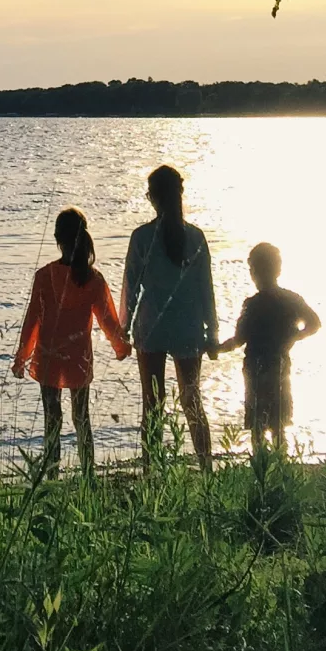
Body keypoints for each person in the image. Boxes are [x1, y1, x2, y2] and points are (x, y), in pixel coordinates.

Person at [12, 207, 130, 480]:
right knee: (82, 418)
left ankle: (51, 476)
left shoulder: (44, 276)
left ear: (57, 239)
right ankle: (88, 477)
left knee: (51, 419)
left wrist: (22, 357)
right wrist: (120, 346)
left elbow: (32, 320)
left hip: (48, 357)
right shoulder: (93, 278)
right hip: (79, 359)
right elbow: (108, 320)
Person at [121, 165, 219, 472]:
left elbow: (131, 287)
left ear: (152, 198)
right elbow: (206, 288)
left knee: (152, 404)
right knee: (192, 401)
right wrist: (212, 331)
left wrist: (122, 327)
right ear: (179, 195)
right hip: (189, 327)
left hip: (151, 329)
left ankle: (152, 471)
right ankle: (206, 469)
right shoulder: (196, 237)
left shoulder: (141, 237)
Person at [218, 242, 321, 457]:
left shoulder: (252, 304)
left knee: (257, 425)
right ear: (278, 269)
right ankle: (281, 463)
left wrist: (216, 349)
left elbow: (238, 340)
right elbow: (314, 323)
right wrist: (294, 337)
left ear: (254, 272)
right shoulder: (292, 300)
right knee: (278, 423)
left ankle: (260, 465)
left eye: (252, 269)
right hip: (280, 364)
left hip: (255, 368)